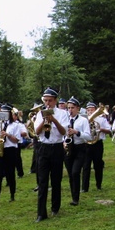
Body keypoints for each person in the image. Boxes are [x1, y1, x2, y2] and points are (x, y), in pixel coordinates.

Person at [33, 87, 69, 222]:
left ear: (55, 101)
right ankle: (41, 213)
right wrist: (44, 119)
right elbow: (37, 131)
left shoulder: (62, 113)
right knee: (42, 181)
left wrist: (53, 120)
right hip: (43, 148)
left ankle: (55, 207)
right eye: (45, 100)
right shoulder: (39, 113)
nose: (47, 103)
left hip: (56, 147)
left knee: (56, 179)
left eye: (50, 101)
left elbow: (63, 132)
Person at [63, 97, 92, 206]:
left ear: (78, 108)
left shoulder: (83, 120)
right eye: (69, 108)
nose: (70, 110)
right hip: (68, 148)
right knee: (71, 174)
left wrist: (76, 132)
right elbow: (61, 134)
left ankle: (76, 198)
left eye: (72, 108)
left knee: (75, 172)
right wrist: (64, 142)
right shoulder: (65, 119)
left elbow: (88, 137)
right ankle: (74, 196)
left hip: (80, 148)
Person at [0, 104, 23, 205]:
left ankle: (12, 195)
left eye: (5, 113)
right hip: (0, 150)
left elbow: (17, 140)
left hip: (10, 150)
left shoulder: (15, 125)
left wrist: (8, 135)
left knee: (10, 173)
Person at [82, 102, 112, 191]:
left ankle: (98, 185)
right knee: (86, 166)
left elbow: (109, 130)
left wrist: (101, 129)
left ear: (96, 110)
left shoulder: (101, 120)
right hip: (87, 144)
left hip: (97, 143)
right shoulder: (84, 120)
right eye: (88, 110)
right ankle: (84, 187)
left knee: (98, 165)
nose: (90, 112)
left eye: (92, 110)